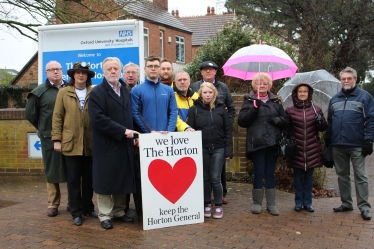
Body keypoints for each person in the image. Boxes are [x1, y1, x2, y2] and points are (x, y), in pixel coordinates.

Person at [88, 57, 139, 229]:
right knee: (105, 180)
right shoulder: (97, 92)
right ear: (103, 72)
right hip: (106, 145)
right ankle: (104, 215)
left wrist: (135, 135)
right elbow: (98, 119)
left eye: (116, 68)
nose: (113, 71)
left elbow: (130, 115)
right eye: (109, 68)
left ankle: (118, 211)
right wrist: (123, 131)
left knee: (121, 177)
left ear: (120, 71)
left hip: (124, 144)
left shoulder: (125, 89)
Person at [51, 62, 98, 226]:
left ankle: (88, 207)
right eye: (77, 73)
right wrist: (57, 139)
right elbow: (57, 117)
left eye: (84, 73)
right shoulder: (64, 93)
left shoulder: (95, 92)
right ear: (72, 76)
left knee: (89, 179)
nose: (80, 75)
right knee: (73, 180)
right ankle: (76, 212)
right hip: (70, 144)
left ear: (88, 76)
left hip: (90, 142)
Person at [325, 67, 374, 220]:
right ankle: (346, 203)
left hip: (357, 144)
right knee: (342, 175)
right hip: (338, 144)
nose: (346, 81)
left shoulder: (365, 97)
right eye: (344, 79)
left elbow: (371, 119)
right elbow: (331, 121)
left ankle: (364, 207)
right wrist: (328, 138)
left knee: (360, 175)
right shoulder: (335, 99)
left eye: (349, 78)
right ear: (341, 80)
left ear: (355, 79)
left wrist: (369, 140)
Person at [237, 72, 289, 216]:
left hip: (273, 142)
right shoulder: (249, 100)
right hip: (257, 142)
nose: (262, 85)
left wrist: (280, 120)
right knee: (259, 172)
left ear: (269, 85)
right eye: (259, 83)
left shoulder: (276, 101)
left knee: (270, 173)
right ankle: (257, 202)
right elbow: (242, 121)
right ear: (254, 85)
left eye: (265, 83)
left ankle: (271, 204)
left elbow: (286, 120)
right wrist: (254, 109)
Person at [25, 60, 68, 217]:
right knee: (51, 170)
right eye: (52, 70)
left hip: (70, 137)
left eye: (58, 69)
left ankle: (73, 203)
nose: (56, 72)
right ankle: (53, 203)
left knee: (73, 168)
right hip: (49, 137)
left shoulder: (71, 88)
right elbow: (30, 114)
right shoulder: (39, 92)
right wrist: (43, 128)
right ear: (46, 73)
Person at [191, 61, 235, 204]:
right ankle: (205, 200)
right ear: (201, 73)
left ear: (216, 72)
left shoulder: (223, 87)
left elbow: (231, 108)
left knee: (218, 172)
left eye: (211, 70)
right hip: (203, 140)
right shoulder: (195, 86)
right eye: (205, 70)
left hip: (218, 138)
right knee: (205, 175)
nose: (208, 72)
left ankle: (221, 196)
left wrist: (223, 123)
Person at [187, 82, 233, 219]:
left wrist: (228, 151)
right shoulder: (194, 109)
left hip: (219, 148)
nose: (207, 95)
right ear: (201, 93)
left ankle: (218, 205)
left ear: (214, 94)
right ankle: (207, 204)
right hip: (202, 148)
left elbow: (227, 131)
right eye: (205, 92)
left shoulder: (221, 109)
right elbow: (191, 129)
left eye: (210, 92)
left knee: (215, 178)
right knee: (205, 178)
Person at [285, 83, 327, 212]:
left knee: (309, 178)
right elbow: (286, 130)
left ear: (309, 94)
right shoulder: (290, 111)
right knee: (297, 177)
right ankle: (298, 202)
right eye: (300, 91)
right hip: (296, 150)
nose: (303, 93)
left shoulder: (316, 109)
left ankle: (308, 203)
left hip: (312, 149)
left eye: (305, 91)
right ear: (296, 94)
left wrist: (321, 121)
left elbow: (323, 128)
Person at [131, 55, 177, 133]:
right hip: (146, 136)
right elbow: (135, 113)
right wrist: (150, 131)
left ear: (159, 69)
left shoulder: (169, 90)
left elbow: (173, 112)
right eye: (150, 66)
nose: (153, 68)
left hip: (165, 136)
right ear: (145, 69)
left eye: (156, 66)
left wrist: (169, 131)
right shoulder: (136, 91)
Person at [122, 61, 142, 216]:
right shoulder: (119, 90)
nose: (130, 75)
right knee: (125, 173)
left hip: (139, 138)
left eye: (133, 72)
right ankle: (123, 208)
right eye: (127, 72)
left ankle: (140, 207)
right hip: (123, 137)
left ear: (138, 75)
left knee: (138, 175)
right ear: (123, 75)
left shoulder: (140, 91)